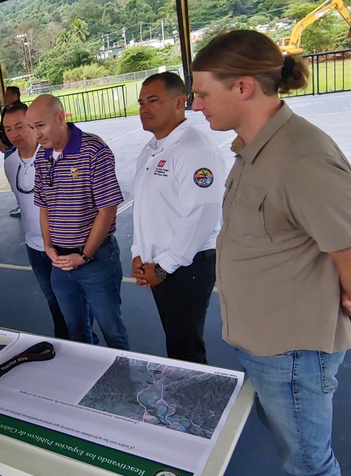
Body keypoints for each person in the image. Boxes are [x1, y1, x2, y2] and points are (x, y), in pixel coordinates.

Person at [191, 30, 351, 476]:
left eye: (203, 93)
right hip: (270, 344)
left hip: (293, 351)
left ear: (242, 87)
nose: (196, 105)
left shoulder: (302, 160)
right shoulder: (257, 149)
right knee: (293, 447)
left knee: (308, 464)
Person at [129, 72, 228, 364]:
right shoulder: (151, 149)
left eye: (153, 100)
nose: (144, 108)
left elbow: (202, 215)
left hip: (187, 265)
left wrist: (163, 267)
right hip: (159, 264)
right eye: (141, 102)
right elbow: (146, 208)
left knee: (185, 345)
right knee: (176, 338)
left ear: (180, 102)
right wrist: (139, 253)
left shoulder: (195, 150)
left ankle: (192, 403)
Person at [27, 95, 129, 350]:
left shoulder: (94, 150)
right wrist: (49, 247)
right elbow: (44, 207)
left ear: (60, 118)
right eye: (32, 128)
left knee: (111, 330)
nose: (36, 134)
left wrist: (84, 255)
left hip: (95, 261)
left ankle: (124, 383)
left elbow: (107, 210)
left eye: (40, 125)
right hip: (60, 263)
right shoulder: (42, 157)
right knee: (76, 330)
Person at [1, 102, 69, 339]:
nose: (14, 134)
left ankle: (83, 341)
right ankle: (63, 341)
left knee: (74, 304)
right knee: (52, 300)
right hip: (34, 246)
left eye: (20, 126)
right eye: (8, 129)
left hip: (62, 244)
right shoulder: (10, 163)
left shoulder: (54, 156)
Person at [0, 86, 27, 217]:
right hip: (8, 149)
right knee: (14, 179)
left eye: (7, 95)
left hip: (15, 149)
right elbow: (1, 129)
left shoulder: (21, 109)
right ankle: (21, 203)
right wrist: (1, 142)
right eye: (9, 129)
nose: (5, 98)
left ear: (15, 95)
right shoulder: (6, 110)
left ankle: (24, 205)